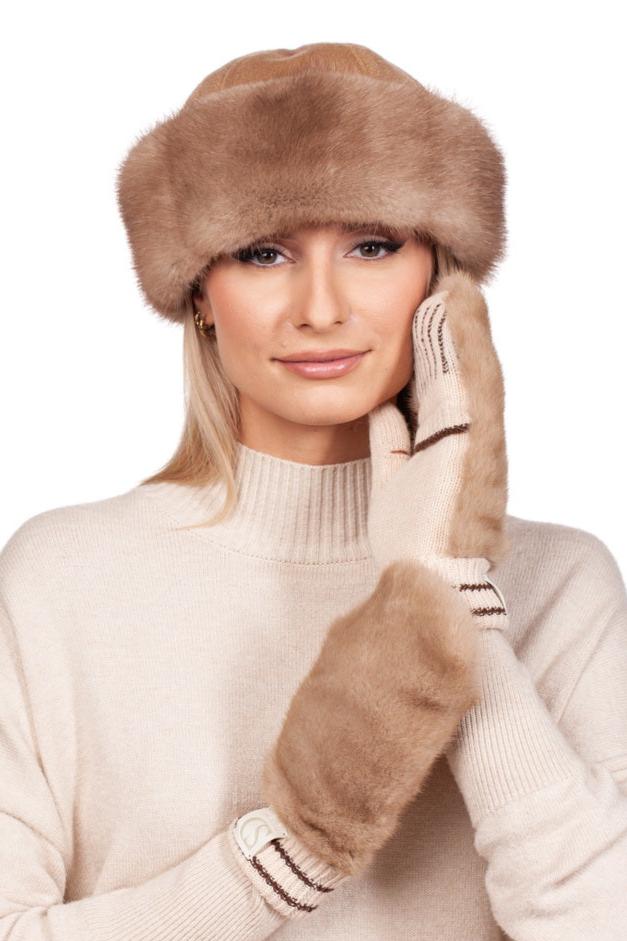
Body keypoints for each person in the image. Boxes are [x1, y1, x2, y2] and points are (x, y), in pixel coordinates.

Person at [0, 41, 625, 941]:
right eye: (264, 253)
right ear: (199, 291)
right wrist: (293, 850)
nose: (321, 307)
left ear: (436, 277)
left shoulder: (558, 581)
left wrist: (446, 592)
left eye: (372, 245)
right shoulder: (63, 576)